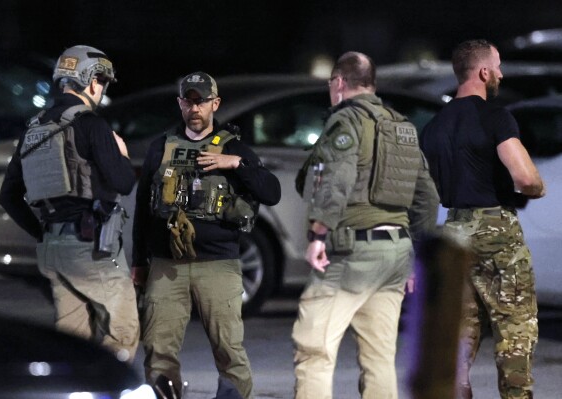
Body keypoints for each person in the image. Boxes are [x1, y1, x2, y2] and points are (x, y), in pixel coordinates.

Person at [292, 51, 439, 399]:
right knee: (379, 358)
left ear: (340, 83)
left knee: (313, 349)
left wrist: (318, 233)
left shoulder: (346, 122)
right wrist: (418, 258)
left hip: (352, 252)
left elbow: (337, 178)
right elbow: (427, 197)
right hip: (395, 255)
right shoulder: (402, 126)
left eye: (331, 84)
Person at [131, 71, 281, 399]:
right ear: (180, 103)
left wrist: (236, 163)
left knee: (229, 351)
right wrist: (138, 262)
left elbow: (271, 192)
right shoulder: (162, 148)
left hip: (219, 264)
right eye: (188, 100)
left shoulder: (234, 148)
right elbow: (144, 207)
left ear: (215, 103)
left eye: (201, 101)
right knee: (158, 350)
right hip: (166, 265)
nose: (194, 108)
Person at [420, 39, 546, 399]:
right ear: (483, 71)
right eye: (498, 66)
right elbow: (524, 178)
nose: (502, 74)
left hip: (454, 229)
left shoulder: (434, 127)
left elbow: (429, 188)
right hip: (496, 230)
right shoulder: (496, 116)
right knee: (515, 329)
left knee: (460, 333)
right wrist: (537, 188)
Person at [0, 45, 140, 362]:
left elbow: (8, 196)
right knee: (124, 331)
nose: (102, 89)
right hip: (88, 248)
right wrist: (122, 155)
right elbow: (124, 182)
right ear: (90, 81)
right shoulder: (92, 125)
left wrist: (43, 233)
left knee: (73, 341)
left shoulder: (34, 129)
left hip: (53, 249)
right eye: (102, 81)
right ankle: (106, 388)